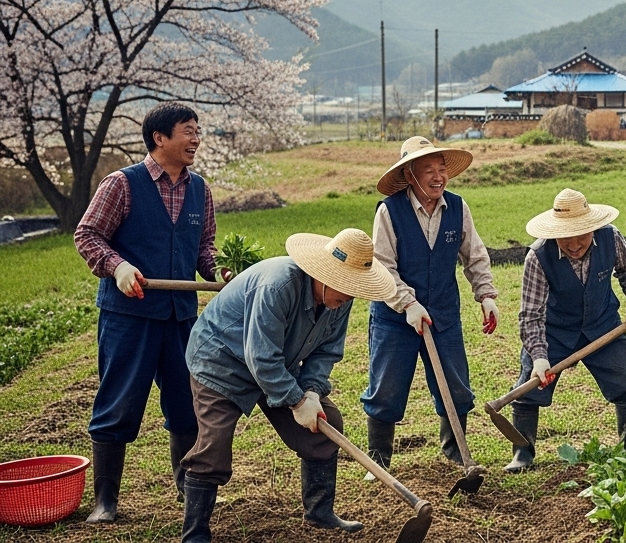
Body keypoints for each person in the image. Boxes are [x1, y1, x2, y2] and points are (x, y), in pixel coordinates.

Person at [180, 228, 398, 542]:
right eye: (345, 288)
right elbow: (260, 356)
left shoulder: (340, 298)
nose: (348, 297)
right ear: (324, 275)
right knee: (214, 445)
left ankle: (320, 513)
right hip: (222, 360)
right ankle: (195, 532)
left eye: (354, 290)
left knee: (326, 424)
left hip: (277, 362)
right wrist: (296, 400)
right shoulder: (278, 285)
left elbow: (326, 351)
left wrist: (311, 391)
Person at [73, 102, 231, 523]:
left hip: (181, 316)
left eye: (198, 130)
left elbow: (204, 248)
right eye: (187, 130)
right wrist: (117, 266)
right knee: (118, 403)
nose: (196, 138)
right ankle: (105, 501)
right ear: (159, 137)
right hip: (130, 317)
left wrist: (219, 270)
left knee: (186, 403)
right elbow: (87, 234)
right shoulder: (122, 185)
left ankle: (186, 485)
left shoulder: (199, 189)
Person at [361, 137, 499, 473]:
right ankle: (379, 460)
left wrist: (487, 295)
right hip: (395, 317)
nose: (438, 178)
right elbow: (382, 266)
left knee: (455, 385)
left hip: (443, 314)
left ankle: (455, 454)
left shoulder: (457, 208)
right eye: (429, 171)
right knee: (386, 388)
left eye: (442, 170)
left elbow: (475, 255)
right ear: (410, 176)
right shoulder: (390, 211)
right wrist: (407, 304)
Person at [505, 188, 626, 472]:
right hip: (554, 330)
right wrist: (538, 357)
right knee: (528, 389)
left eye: (581, 237)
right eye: (566, 238)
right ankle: (522, 455)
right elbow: (531, 314)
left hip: (602, 324)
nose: (574, 245)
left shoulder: (610, 238)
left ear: (593, 228)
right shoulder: (538, 256)